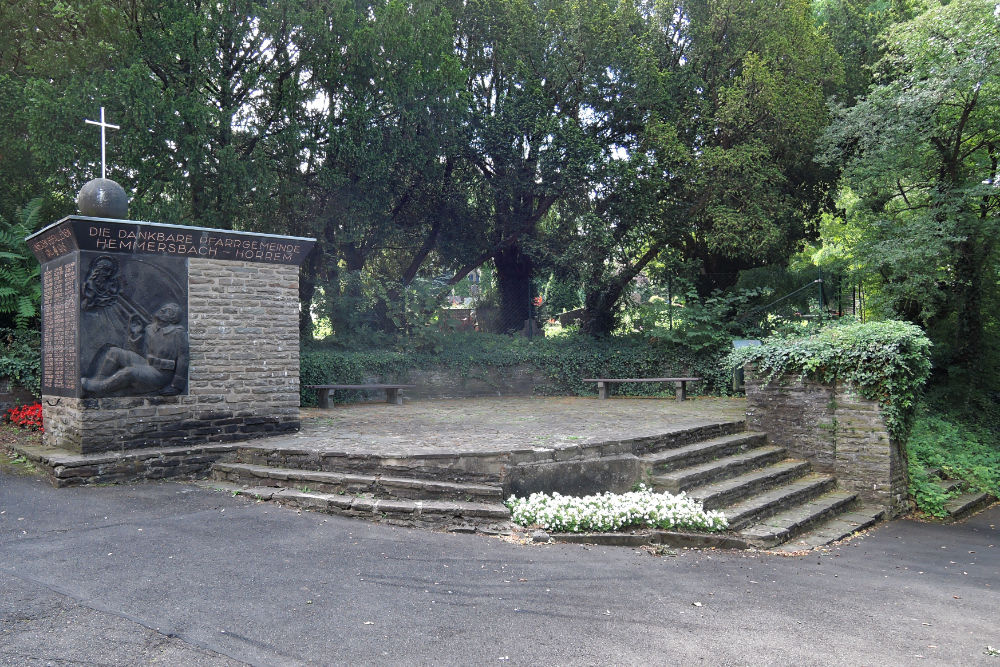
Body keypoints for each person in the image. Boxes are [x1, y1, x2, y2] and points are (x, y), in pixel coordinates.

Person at [81, 302, 188, 396]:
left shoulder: (177, 333)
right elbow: (141, 352)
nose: (163, 310)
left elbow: (183, 360)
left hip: (161, 375)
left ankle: (101, 387)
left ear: (174, 318)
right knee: (114, 352)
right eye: (163, 308)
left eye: (168, 311)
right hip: (148, 364)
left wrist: (176, 386)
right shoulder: (150, 329)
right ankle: (99, 382)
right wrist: (135, 334)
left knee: (130, 372)